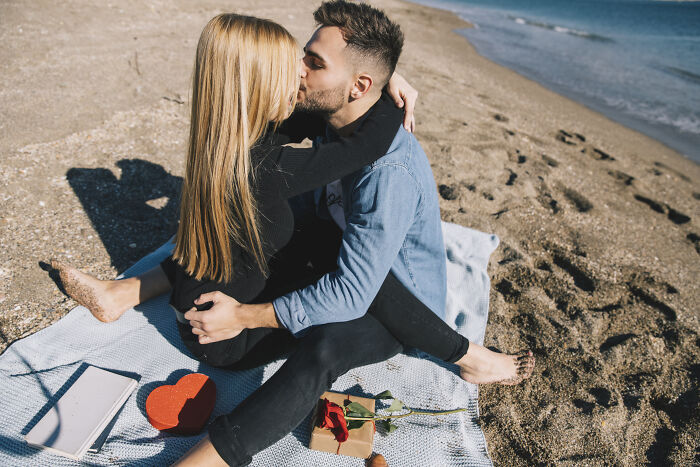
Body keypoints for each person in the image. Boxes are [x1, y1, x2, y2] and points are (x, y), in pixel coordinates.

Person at [51, 4, 533, 466]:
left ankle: (467, 358)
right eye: (304, 55)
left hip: (399, 301)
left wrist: (243, 315)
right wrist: (380, 87)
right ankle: (124, 293)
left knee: (324, 344)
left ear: (357, 85)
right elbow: (340, 124)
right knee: (266, 229)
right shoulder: (325, 117)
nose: (299, 69)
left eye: (314, 62)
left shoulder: (388, 173)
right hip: (332, 249)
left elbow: (354, 289)